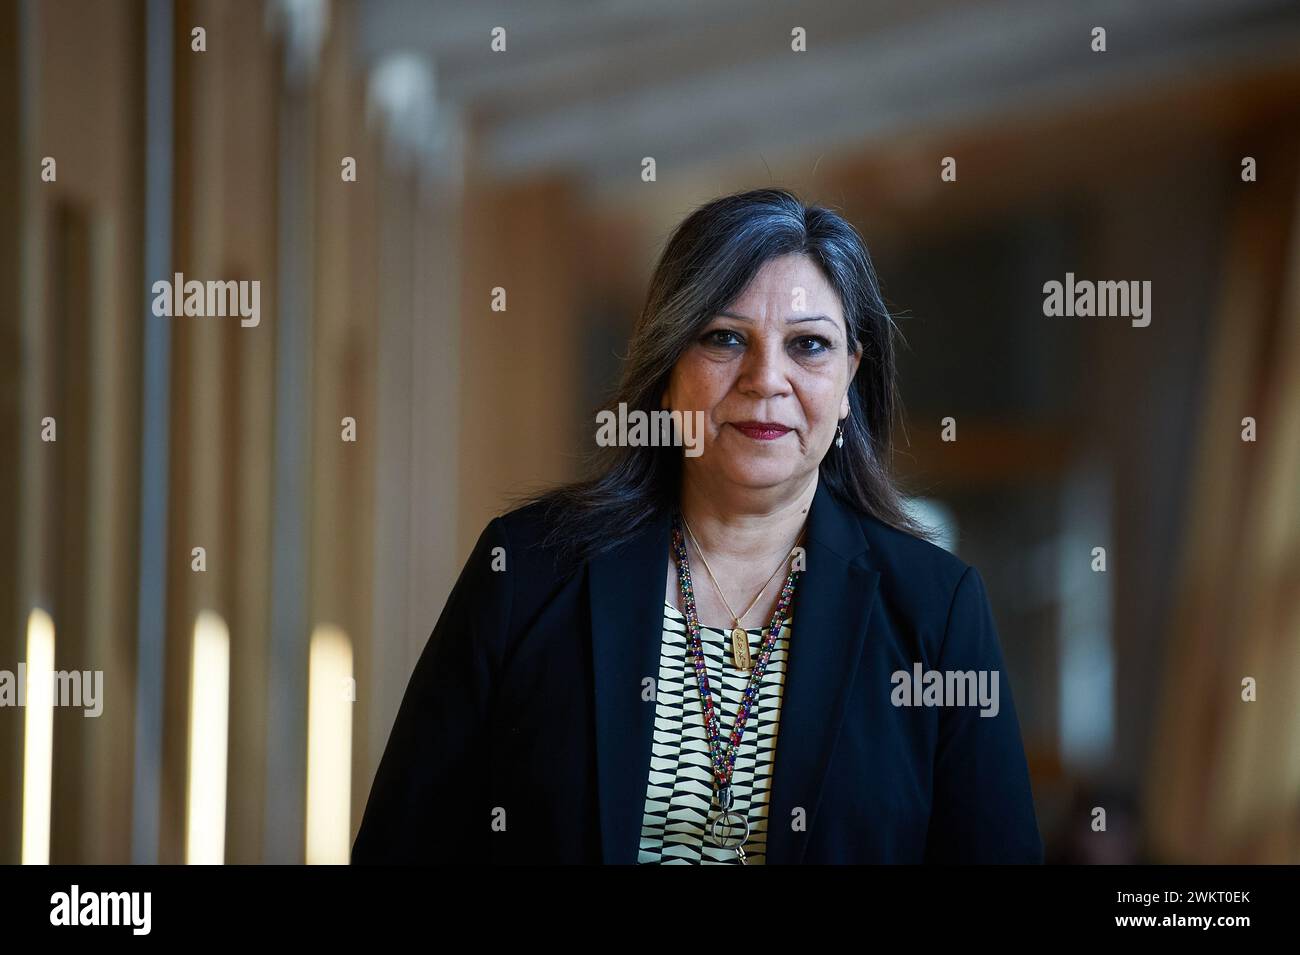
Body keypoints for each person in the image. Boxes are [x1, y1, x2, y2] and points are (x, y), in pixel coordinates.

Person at [352, 187, 1043, 864]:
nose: (766, 378)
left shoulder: (935, 611)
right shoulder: (527, 571)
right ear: (668, 368)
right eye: (723, 338)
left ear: (849, 382)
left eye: (808, 345)